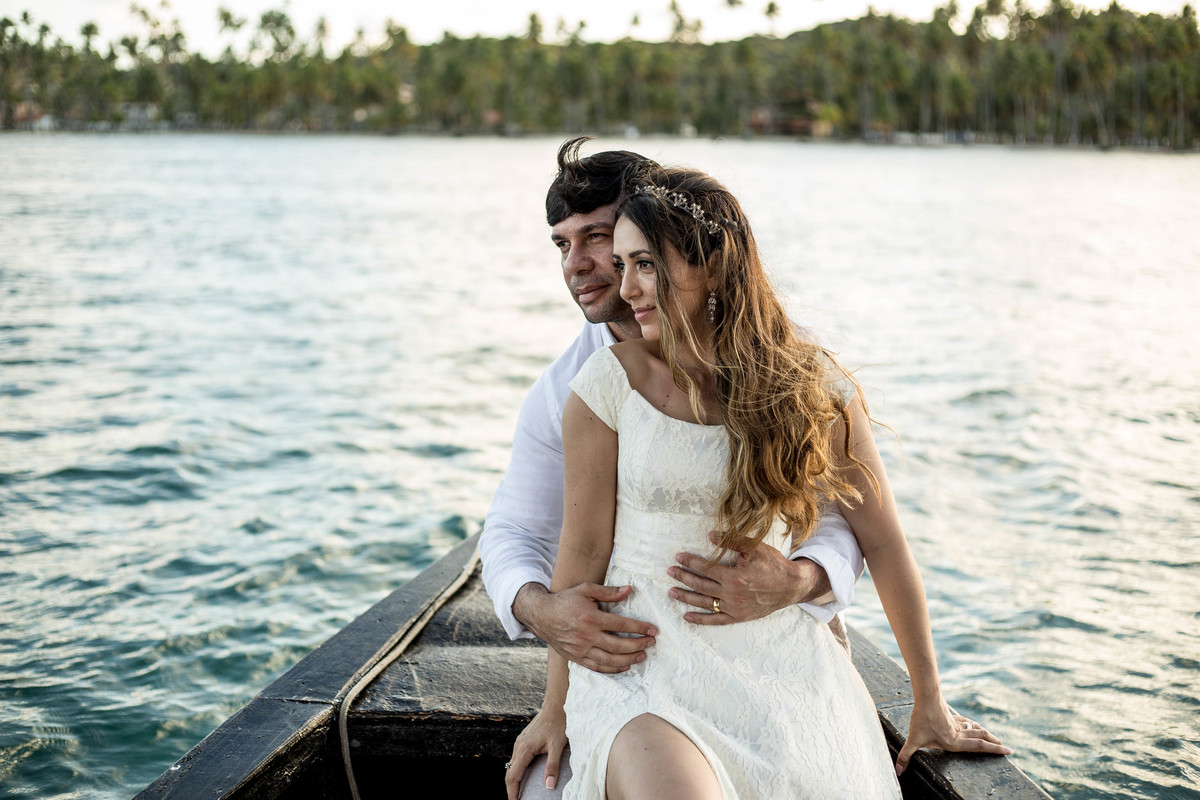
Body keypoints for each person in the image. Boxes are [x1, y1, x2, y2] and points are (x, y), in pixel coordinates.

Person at [509, 165, 1011, 799]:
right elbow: (580, 554)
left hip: (778, 663)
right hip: (641, 667)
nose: (627, 287)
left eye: (646, 265)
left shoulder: (809, 386)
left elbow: (883, 542)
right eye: (623, 264)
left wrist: (929, 701)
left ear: (714, 267)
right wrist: (555, 708)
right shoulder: (607, 384)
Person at [481, 140, 868, 799]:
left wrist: (799, 579)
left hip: (764, 648)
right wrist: (545, 615)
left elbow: (846, 512)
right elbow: (516, 530)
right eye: (562, 245)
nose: (578, 264)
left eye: (599, 238)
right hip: (640, 663)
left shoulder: (777, 357)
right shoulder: (572, 386)